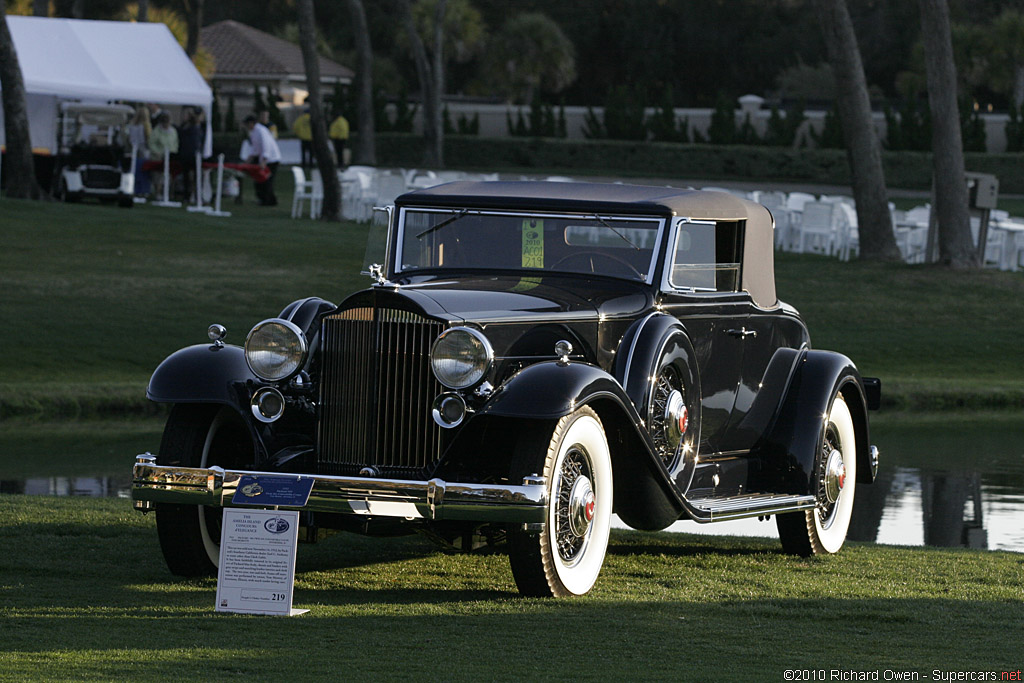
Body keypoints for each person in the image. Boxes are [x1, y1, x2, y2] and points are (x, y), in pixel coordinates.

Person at [243, 113, 281, 206]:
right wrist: (248, 160)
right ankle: (263, 198)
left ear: (251, 123)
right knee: (260, 180)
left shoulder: (261, 131)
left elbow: (266, 145)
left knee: (267, 180)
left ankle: (269, 200)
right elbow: (254, 148)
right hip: (264, 159)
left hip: (271, 159)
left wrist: (264, 160)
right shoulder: (253, 132)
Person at [148, 112, 179, 197]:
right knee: (158, 175)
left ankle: (169, 192)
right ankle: (158, 191)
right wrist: (158, 153)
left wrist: (172, 152)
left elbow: (175, 144)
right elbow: (151, 144)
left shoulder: (173, 131)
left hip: (170, 158)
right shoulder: (156, 131)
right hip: (158, 158)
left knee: (170, 176)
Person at [178, 108, 205, 202]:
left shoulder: (197, 127)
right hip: (190, 155)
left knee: (194, 177)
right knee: (190, 176)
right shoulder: (190, 128)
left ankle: (193, 195)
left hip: (191, 155)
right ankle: (189, 195)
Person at [128, 105, 151, 198]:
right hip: (143, 150)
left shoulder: (132, 125)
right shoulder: (145, 125)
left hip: (134, 150)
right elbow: (148, 138)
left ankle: (134, 189)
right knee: (143, 172)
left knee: (135, 170)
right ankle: (143, 190)